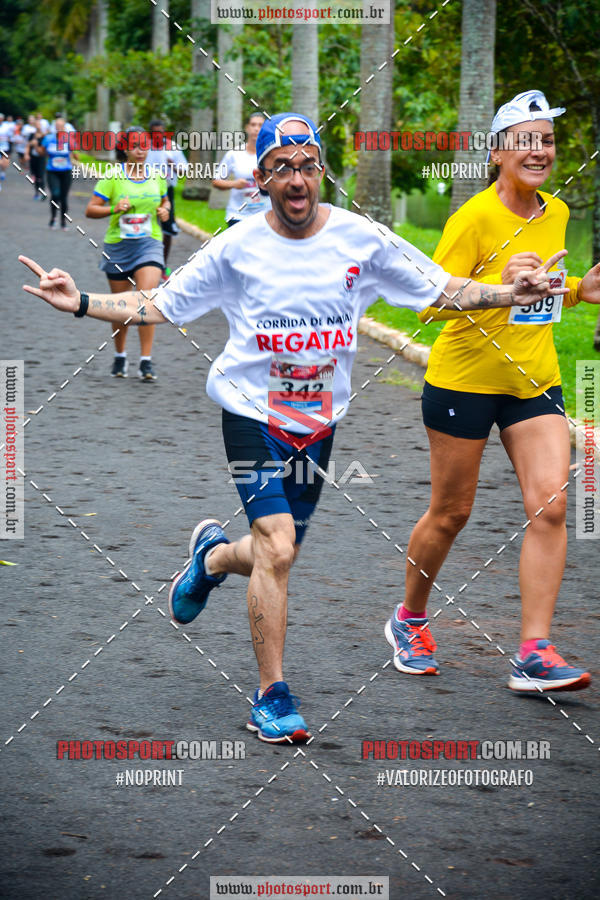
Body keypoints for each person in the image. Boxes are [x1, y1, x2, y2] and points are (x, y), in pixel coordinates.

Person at [20, 113, 569, 743]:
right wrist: (84, 302)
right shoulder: (236, 246)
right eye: (282, 166)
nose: (298, 177)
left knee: (273, 553)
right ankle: (271, 696)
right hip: (252, 414)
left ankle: (211, 558)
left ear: (322, 172)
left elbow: (443, 292)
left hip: (317, 425)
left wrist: (510, 293)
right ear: (261, 179)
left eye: (308, 164)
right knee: (278, 546)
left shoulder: (362, 240)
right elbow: (159, 304)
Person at [385, 91, 600, 693]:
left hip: (534, 381)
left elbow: (546, 286)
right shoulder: (474, 218)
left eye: (548, 141)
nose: (540, 151)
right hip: (465, 381)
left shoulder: (554, 212)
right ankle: (410, 618)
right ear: (498, 151)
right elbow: (428, 301)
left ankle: (534, 651)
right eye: (526, 140)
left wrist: (580, 288)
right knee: (452, 513)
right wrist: (499, 286)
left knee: (554, 505)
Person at [84, 125, 170, 381]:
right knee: (121, 305)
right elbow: (90, 209)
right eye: (134, 145)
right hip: (118, 246)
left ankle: (146, 361)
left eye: (144, 145)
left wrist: (165, 210)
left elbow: (165, 201)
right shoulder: (112, 176)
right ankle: (120, 355)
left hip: (150, 242)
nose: (140, 150)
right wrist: (114, 209)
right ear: (124, 148)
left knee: (146, 300)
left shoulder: (157, 175)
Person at [212, 112, 271, 226]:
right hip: (238, 215)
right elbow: (216, 181)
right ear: (247, 128)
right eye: (253, 125)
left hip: (265, 214)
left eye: (260, 125)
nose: (256, 129)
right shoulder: (234, 154)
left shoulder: (271, 154)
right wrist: (234, 184)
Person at [145, 119, 188, 276]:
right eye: (154, 132)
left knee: (167, 228)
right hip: (146, 191)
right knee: (145, 226)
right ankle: (146, 263)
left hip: (166, 192)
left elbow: (184, 171)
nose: (158, 136)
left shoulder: (172, 147)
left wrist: (173, 165)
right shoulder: (144, 147)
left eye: (160, 132)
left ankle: (163, 266)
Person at [40, 115, 78, 230]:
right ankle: (53, 218)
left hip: (66, 171)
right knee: (55, 194)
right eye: (57, 126)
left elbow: (75, 154)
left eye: (61, 126)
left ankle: (63, 221)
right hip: (52, 171)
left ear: (65, 128)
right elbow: (42, 152)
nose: (59, 128)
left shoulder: (69, 140)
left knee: (64, 197)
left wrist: (74, 155)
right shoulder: (48, 138)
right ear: (55, 127)